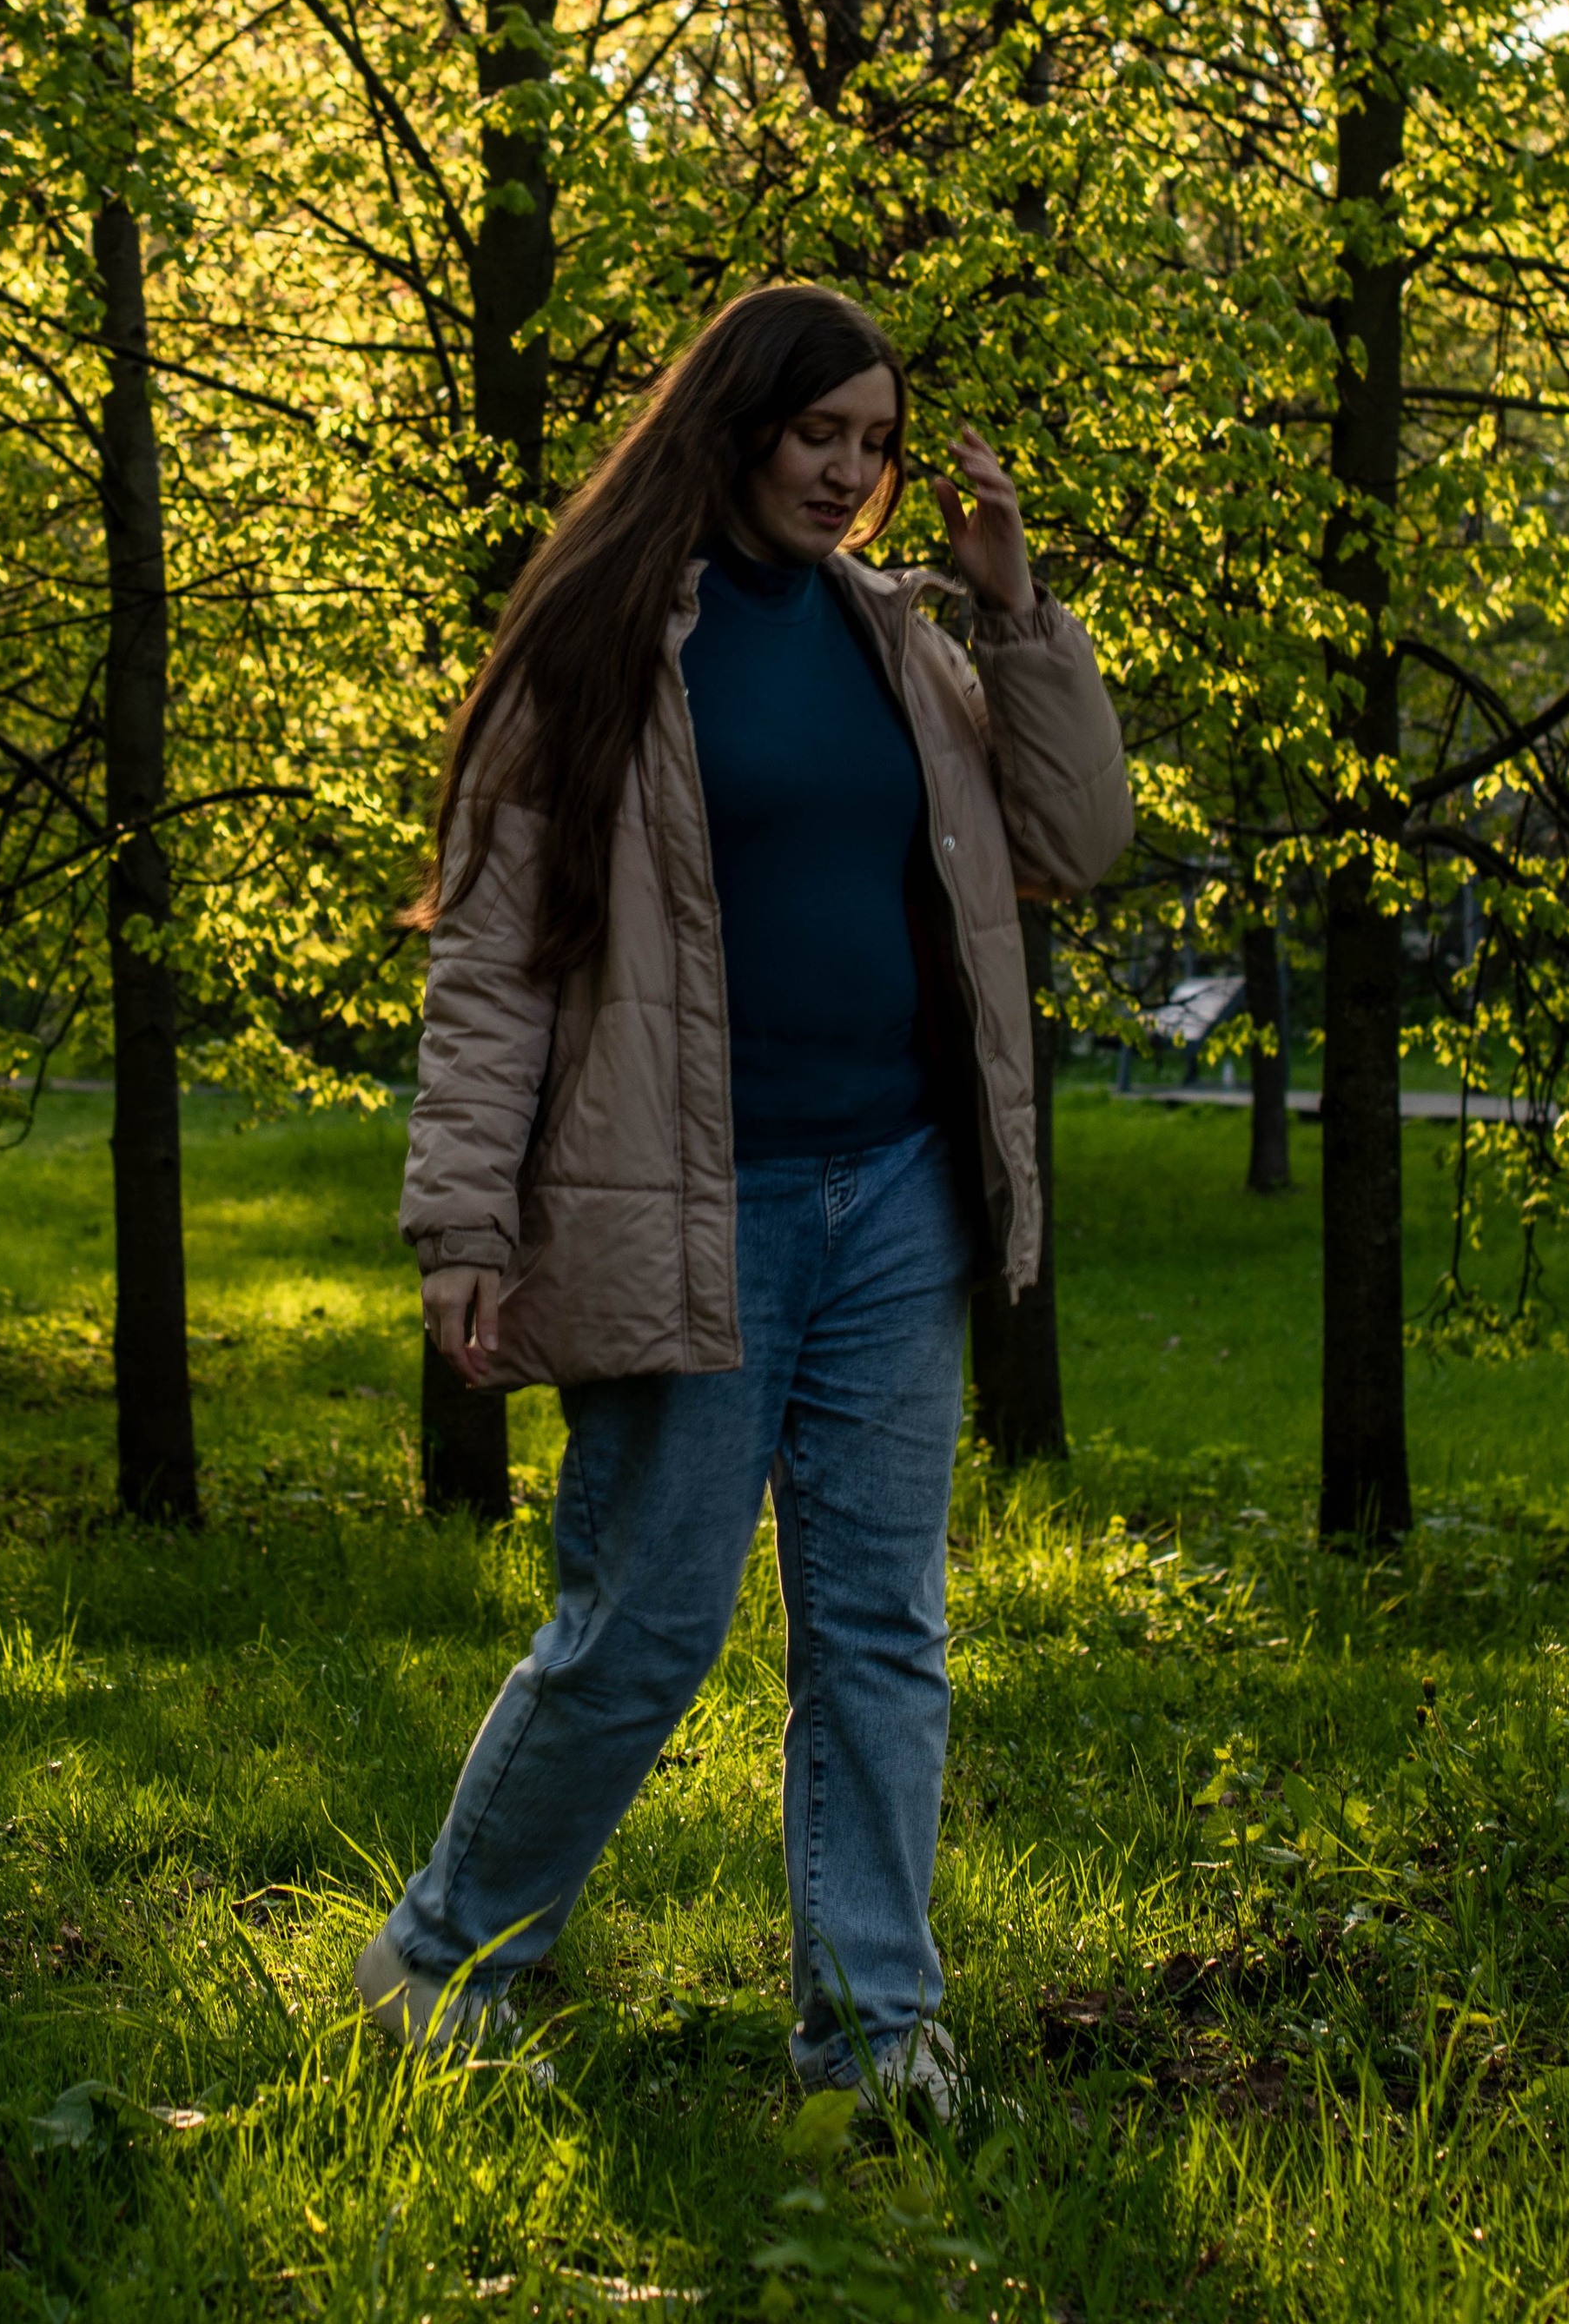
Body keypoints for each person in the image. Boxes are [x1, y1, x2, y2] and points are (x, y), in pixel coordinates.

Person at [353, 281, 1132, 2118]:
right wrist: (462, 1225)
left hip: (895, 1204)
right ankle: (447, 1966)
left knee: (879, 1631)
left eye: (873, 444)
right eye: (818, 438)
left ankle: (871, 2043)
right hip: (684, 1207)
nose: (850, 476)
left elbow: (1072, 841)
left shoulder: (900, 642)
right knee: (643, 1623)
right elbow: (488, 962)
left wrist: (1014, 609)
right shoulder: (605, 642)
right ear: (731, 429)